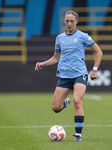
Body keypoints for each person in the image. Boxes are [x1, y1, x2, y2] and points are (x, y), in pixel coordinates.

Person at [35, 10, 103, 141]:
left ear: (76, 21)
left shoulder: (83, 36)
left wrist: (94, 70)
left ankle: (78, 135)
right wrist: (43, 63)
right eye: (67, 21)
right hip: (65, 76)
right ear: (64, 21)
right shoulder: (60, 38)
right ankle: (65, 103)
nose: (69, 23)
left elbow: (99, 52)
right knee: (55, 108)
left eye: (72, 21)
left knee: (77, 101)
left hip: (80, 74)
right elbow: (56, 58)